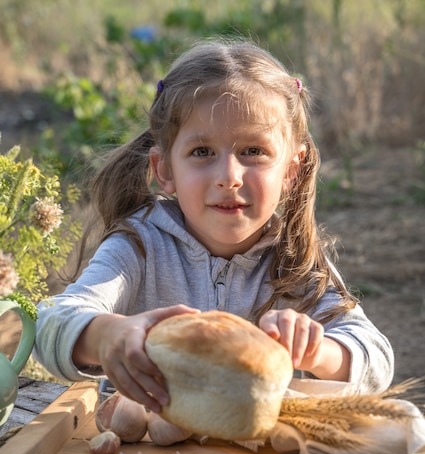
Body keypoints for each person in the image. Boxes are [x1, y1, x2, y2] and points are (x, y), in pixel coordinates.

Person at [34, 39, 394, 414]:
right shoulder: (138, 245)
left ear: (291, 170)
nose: (229, 177)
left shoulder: (296, 261)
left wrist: (318, 349)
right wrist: (108, 335)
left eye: (253, 151)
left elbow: (377, 358)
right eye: (202, 152)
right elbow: (49, 324)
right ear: (165, 169)